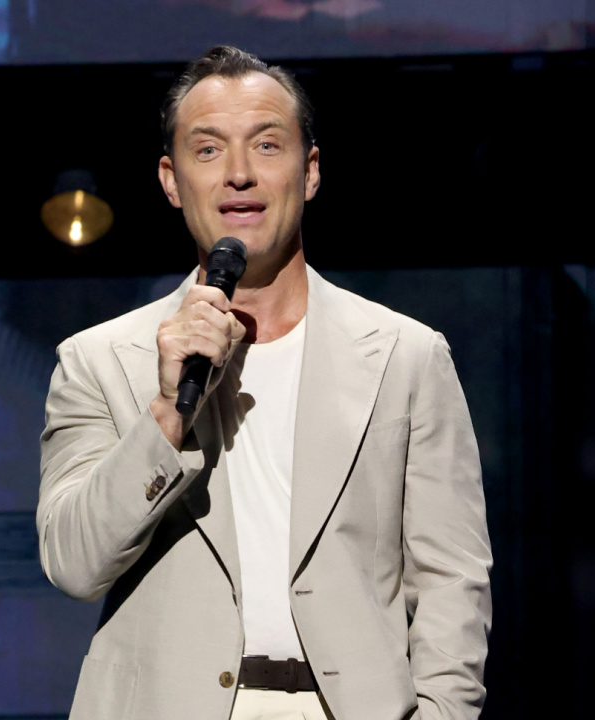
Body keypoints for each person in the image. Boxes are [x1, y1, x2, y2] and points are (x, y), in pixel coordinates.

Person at [37, 46, 492, 720]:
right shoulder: (98, 360)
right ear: (171, 179)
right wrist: (167, 413)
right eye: (209, 150)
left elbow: (451, 578)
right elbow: (74, 563)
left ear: (309, 171)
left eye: (268, 145)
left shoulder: (406, 356)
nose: (240, 175)